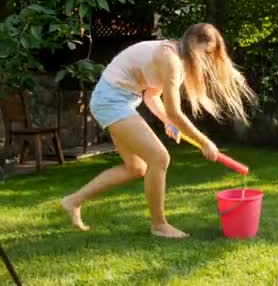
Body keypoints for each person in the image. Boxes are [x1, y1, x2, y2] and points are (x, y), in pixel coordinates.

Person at [61, 23, 255, 238]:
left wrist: (166, 121)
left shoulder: (174, 57)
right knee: (159, 158)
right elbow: (174, 111)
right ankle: (159, 225)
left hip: (116, 100)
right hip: (111, 101)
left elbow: (151, 96)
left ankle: (73, 201)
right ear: (194, 44)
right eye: (207, 53)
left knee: (136, 168)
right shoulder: (170, 60)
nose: (208, 59)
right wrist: (204, 142)